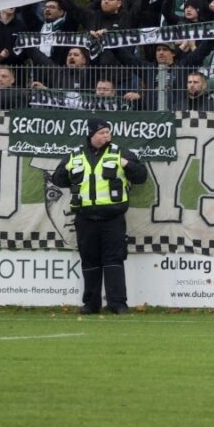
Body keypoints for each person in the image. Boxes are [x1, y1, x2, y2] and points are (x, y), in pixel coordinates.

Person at [49, 117, 150, 315]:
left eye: (107, 132)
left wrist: (126, 164)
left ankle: (118, 304)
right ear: (90, 135)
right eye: (101, 133)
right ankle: (91, 304)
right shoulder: (74, 156)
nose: (106, 136)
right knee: (89, 261)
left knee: (114, 260)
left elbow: (141, 176)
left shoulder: (120, 152)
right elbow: (58, 180)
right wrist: (66, 169)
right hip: (85, 218)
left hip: (112, 217)